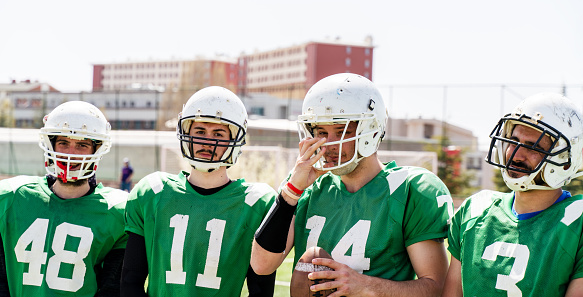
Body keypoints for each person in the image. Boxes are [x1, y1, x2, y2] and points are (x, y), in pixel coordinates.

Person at [251, 73, 454, 296]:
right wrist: (291, 193)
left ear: (371, 130)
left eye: (342, 131)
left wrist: (364, 285)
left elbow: (435, 288)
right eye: (321, 132)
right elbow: (262, 265)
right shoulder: (304, 186)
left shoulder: (410, 189)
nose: (328, 144)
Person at [121, 86, 277, 296]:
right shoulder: (153, 193)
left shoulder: (256, 204)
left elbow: (261, 292)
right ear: (186, 133)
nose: (206, 141)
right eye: (200, 132)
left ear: (235, 140)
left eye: (218, 133)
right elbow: (131, 282)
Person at [442, 93, 583, 297]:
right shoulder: (474, 210)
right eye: (513, 141)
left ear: (565, 160)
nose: (516, 154)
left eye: (532, 146)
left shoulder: (576, 223)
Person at [0, 101, 128, 296]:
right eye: (63, 143)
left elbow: (112, 288)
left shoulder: (117, 211)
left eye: (82, 145)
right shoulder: (12, 197)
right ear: (50, 144)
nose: (71, 153)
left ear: (97, 150)